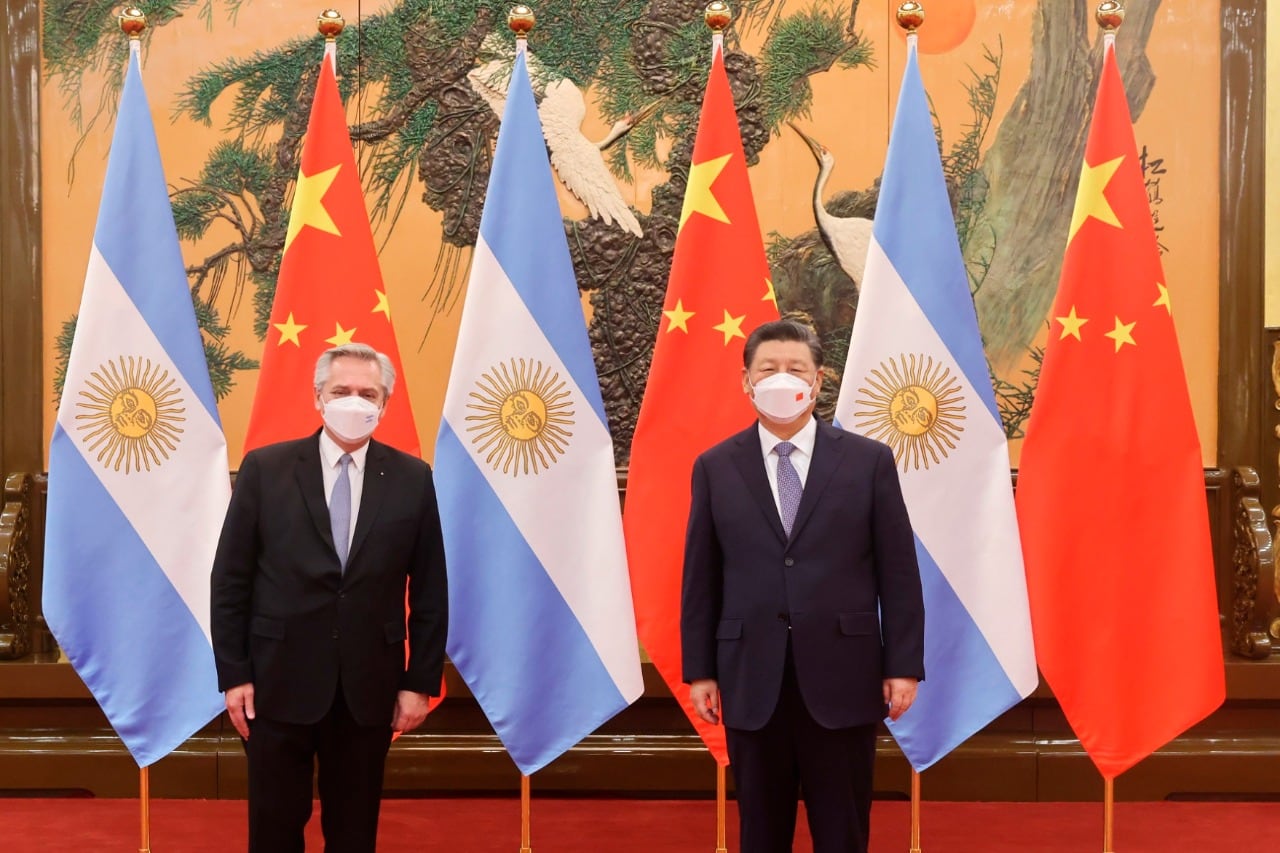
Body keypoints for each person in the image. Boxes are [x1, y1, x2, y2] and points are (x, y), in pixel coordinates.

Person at [681, 318, 925, 853]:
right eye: (767, 368)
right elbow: (701, 577)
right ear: (745, 381)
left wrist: (903, 665)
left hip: (845, 674)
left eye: (796, 368)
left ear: (817, 381)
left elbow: (899, 573)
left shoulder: (868, 461)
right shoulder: (716, 467)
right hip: (751, 677)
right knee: (761, 833)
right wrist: (700, 671)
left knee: (842, 831)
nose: (781, 378)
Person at [211, 343, 448, 853]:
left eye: (368, 393)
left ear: (384, 403)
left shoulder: (413, 478)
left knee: (354, 831)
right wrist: (234, 674)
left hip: (369, 688)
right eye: (341, 391)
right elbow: (230, 580)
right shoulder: (265, 469)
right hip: (275, 683)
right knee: (274, 829)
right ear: (318, 397)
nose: (354, 401)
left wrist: (419, 683)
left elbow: (431, 590)